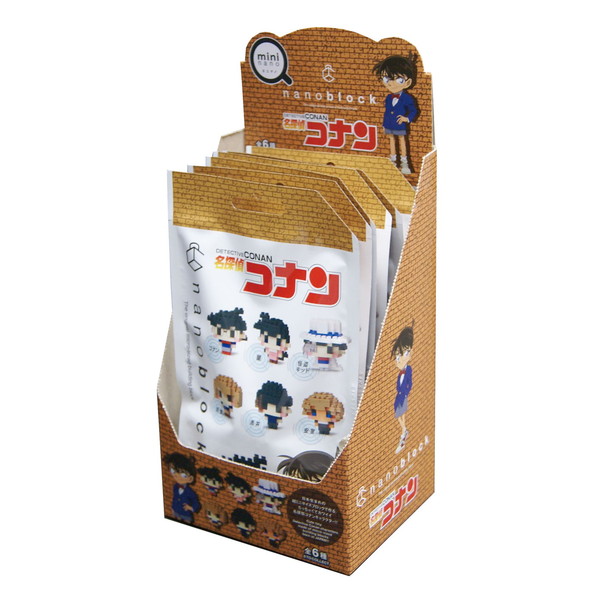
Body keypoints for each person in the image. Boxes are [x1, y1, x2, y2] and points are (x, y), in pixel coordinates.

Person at [373, 55, 419, 175]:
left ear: (408, 82)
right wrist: (384, 124)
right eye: (386, 79)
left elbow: (413, 110)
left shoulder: (407, 98)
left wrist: (407, 119)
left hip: (400, 124)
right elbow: (387, 111)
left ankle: (405, 163)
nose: (391, 84)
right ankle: (393, 161)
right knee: (391, 140)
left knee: (402, 140)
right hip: (389, 123)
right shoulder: (389, 97)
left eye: (398, 80)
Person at [391, 324, 414, 453]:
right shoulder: (401, 372)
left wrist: (406, 392)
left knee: (401, 412)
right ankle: (404, 430)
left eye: (402, 355)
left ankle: (404, 431)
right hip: (399, 393)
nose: (398, 360)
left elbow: (409, 383)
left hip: (403, 394)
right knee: (398, 412)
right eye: (397, 357)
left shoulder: (408, 369)